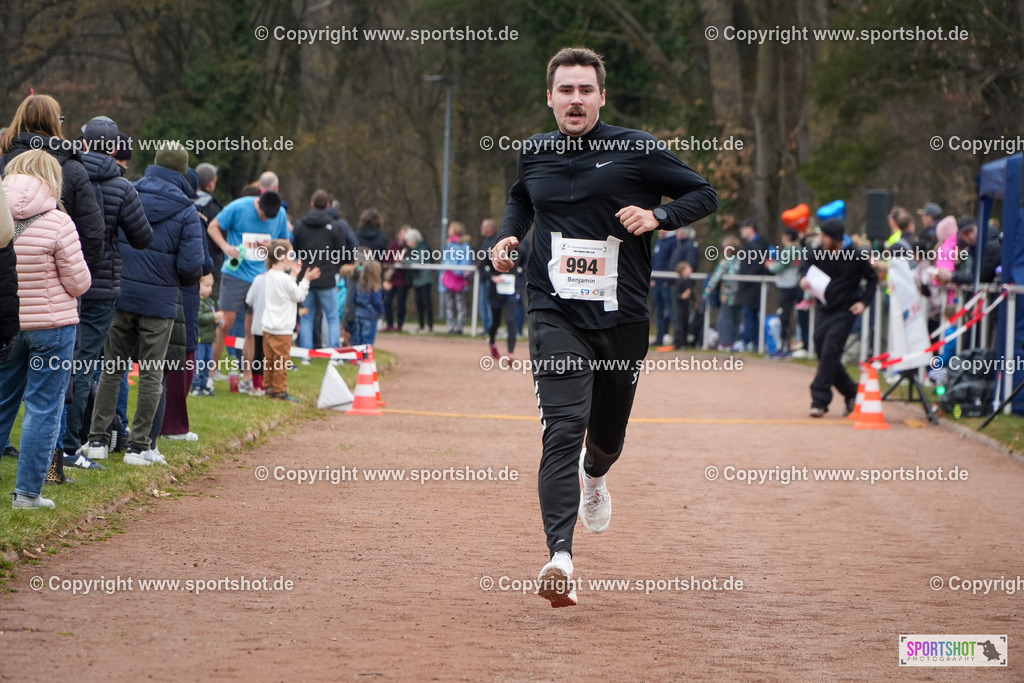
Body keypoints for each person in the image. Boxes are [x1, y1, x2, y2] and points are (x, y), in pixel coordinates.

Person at [491, 47, 718, 607]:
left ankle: (597, 477)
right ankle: (560, 557)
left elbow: (703, 192)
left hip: (622, 317)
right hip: (554, 311)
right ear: (550, 97)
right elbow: (522, 199)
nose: (575, 99)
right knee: (562, 428)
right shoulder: (535, 154)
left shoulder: (635, 149)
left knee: (607, 437)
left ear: (601, 96)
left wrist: (658, 216)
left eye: (584, 90)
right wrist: (509, 236)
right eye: (565, 90)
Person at [83, 143, 204, 465]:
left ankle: (96, 440)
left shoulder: (128, 191)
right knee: (152, 373)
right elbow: (192, 265)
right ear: (182, 171)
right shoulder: (187, 210)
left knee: (111, 370)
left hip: (120, 294)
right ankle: (139, 447)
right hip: (160, 302)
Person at [61, 116, 153, 469]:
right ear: (115, 148)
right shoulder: (123, 187)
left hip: (65, 279)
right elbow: (143, 238)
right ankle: (73, 442)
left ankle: (63, 440)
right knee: (87, 364)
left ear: (83, 143)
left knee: (63, 360)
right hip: (102, 286)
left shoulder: (66, 175)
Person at [0, 150, 91, 507]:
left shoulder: (1, 216)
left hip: (9, 324)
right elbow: (80, 283)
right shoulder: (59, 222)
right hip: (52, 328)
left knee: (4, 400)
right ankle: (27, 493)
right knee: (43, 407)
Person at [0, 94, 104, 275]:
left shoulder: (3, 165)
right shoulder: (73, 169)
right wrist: (79, 277)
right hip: (56, 279)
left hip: (6, 274)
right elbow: (92, 232)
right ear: (54, 123)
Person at [207, 190, 290, 393]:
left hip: (262, 277)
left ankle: (248, 378)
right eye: (262, 215)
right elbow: (213, 227)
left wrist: (280, 258)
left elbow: (286, 243)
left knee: (252, 329)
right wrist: (226, 247)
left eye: (268, 218)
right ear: (257, 203)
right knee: (225, 322)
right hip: (235, 274)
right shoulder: (238, 207)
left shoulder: (279, 215)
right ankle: (209, 374)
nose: (264, 219)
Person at [799, 218, 877, 417]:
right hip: (825, 309)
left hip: (846, 311)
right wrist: (804, 280)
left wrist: (864, 302)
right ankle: (852, 393)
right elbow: (805, 266)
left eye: (824, 236)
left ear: (835, 238)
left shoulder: (856, 256)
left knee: (830, 351)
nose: (821, 239)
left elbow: (872, 278)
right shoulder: (818, 252)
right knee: (822, 351)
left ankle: (819, 400)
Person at [261, 240, 319, 402]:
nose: (293, 259)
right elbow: (298, 295)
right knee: (281, 361)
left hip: (268, 326)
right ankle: (280, 391)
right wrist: (306, 279)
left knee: (270, 360)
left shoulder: (270, 275)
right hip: (282, 328)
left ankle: (269, 388)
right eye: (291, 255)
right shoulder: (284, 279)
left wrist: (294, 275)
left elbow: (286, 292)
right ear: (281, 257)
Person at [293, 189, 347, 349]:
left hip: (306, 278)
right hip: (327, 278)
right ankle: (333, 354)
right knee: (331, 316)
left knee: (307, 317)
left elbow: (295, 250)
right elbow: (341, 252)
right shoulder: (335, 226)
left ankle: (306, 355)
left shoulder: (300, 225)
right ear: (328, 205)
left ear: (311, 204)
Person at [481, 237, 527, 359]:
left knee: (511, 321)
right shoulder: (493, 251)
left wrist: (521, 275)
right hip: (496, 291)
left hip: (512, 291)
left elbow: (525, 266)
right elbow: (481, 267)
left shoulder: (521, 250)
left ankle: (510, 354)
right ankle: (491, 341)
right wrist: (493, 277)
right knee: (496, 322)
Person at [702, 235, 742, 351]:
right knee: (736, 319)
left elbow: (715, 278)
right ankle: (734, 342)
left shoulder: (725, 263)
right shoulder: (741, 261)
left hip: (727, 296)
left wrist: (706, 292)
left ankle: (725, 343)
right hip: (740, 295)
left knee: (725, 319)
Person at [767, 228, 803, 355]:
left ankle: (784, 345)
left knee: (784, 317)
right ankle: (800, 344)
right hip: (797, 285)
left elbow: (780, 267)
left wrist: (770, 265)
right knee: (800, 316)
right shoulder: (801, 249)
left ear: (787, 237)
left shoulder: (789, 250)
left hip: (787, 286)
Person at [737, 219, 770, 352]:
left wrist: (746, 278)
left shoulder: (758, 245)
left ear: (750, 228)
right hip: (750, 286)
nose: (741, 231)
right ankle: (753, 341)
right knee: (750, 314)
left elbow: (757, 265)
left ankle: (751, 341)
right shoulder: (752, 244)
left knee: (750, 314)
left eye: (743, 228)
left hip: (753, 286)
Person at [194, 162, 224, 300]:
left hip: (190, 266)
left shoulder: (187, 201)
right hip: (210, 269)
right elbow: (222, 235)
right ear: (211, 184)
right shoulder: (213, 207)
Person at [440, 220, 473, 335]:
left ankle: (459, 327)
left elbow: (466, 261)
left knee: (460, 305)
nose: (448, 231)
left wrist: (457, 270)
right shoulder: (449, 244)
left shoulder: (465, 244)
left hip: (458, 280)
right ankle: (450, 327)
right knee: (449, 305)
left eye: (450, 228)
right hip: (448, 279)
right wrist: (445, 270)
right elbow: (445, 260)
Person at [190, 273, 221, 396]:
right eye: (207, 285)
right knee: (199, 362)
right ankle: (196, 386)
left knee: (208, 362)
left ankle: (204, 385)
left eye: (211, 286)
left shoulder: (210, 302)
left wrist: (218, 321)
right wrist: (213, 316)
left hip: (209, 338)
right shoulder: (197, 302)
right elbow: (199, 317)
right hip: (200, 338)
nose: (210, 289)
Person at [404, 228, 434, 333]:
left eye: (408, 241)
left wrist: (404, 260)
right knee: (419, 303)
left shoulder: (424, 248)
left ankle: (430, 326)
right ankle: (421, 325)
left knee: (426, 303)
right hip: (417, 280)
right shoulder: (414, 250)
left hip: (425, 280)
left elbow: (418, 261)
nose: (407, 243)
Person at [650, 229, 676, 346]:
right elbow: (655, 261)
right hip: (657, 281)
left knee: (671, 310)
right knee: (659, 311)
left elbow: (673, 262)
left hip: (667, 282)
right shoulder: (660, 241)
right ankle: (660, 337)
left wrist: (668, 280)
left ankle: (676, 338)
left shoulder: (674, 241)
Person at [244, 271, 269, 395]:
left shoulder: (258, 279)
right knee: (269, 356)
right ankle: (266, 385)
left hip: (258, 324)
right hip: (275, 326)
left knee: (258, 355)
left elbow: (249, 300)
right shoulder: (283, 279)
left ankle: (257, 386)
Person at [352, 260, 386, 347]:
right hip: (370, 316)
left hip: (358, 314)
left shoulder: (359, 286)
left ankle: (357, 357)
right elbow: (377, 302)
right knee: (368, 339)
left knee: (357, 338)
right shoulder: (375, 288)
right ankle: (366, 358)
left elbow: (354, 299)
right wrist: (381, 312)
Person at [385, 225, 412, 332]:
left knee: (401, 303)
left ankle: (400, 325)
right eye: (402, 233)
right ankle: (389, 323)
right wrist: (394, 261)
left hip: (403, 280)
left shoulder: (409, 247)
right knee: (387, 301)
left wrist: (402, 260)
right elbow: (387, 257)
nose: (403, 236)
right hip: (393, 278)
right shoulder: (394, 244)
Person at [476, 218, 500, 335]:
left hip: (491, 279)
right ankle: (486, 328)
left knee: (490, 305)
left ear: (490, 228)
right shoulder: (485, 241)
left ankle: (491, 329)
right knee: (483, 305)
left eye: (484, 227)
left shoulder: (496, 241)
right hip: (484, 278)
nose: (482, 229)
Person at [672, 260, 695, 349]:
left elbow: (691, 292)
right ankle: (678, 343)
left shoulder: (689, 281)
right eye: (688, 268)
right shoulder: (680, 281)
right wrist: (682, 296)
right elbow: (676, 294)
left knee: (686, 324)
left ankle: (685, 343)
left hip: (686, 307)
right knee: (680, 325)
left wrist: (695, 301)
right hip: (680, 307)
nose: (691, 270)